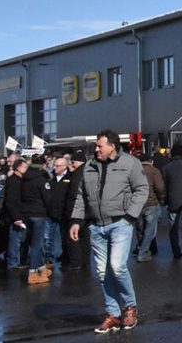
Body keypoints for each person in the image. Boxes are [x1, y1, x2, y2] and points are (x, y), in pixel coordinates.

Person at [70, 130, 148, 333]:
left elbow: (142, 189)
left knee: (117, 266)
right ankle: (113, 314)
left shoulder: (130, 163)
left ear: (112, 146)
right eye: (96, 146)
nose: (96, 149)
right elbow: (81, 196)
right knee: (103, 273)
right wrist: (77, 221)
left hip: (120, 223)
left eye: (99, 146)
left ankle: (130, 307)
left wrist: (130, 216)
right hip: (96, 225)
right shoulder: (89, 166)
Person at [17, 157, 53, 285]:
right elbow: (48, 199)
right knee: (37, 244)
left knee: (32, 242)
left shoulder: (23, 180)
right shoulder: (41, 180)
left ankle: (42, 268)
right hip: (38, 213)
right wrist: (50, 211)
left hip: (26, 213)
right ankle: (32, 273)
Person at [135, 154, 166, 262]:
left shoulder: (134, 171)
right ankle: (142, 252)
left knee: (139, 228)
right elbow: (160, 187)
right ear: (151, 161)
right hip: (151, 202)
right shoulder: (154, 171)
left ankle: (140, 247)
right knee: (149, 229)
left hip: (137, 203)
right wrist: (161, 197)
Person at [62, 150, 90, 270]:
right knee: (84, 237)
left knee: (73, 237)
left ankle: (75, 262)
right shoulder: (87, 172)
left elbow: (74, 194)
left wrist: (70, 211)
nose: (71, 165)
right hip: (86, 210)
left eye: (73, 162)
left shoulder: (77, 175)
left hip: (76, 210)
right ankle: (84, 261)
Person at [46, 156, 73, 270]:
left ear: (64, 167)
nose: (54, 167)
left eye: (57, 166)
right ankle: (48, 259)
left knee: (65, 236)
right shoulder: (51, 177)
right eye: (54, 165)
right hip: (51, 211)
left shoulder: (70, 177)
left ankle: (66, 256)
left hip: (63, 212)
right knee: (48, 237)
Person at [2, 159, 30, 272]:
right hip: (16, 217)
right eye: (25, 167)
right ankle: (13, 263)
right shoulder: (13, 181)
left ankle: (19, 261)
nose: (27, 169)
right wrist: (16, 217)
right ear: (18, 167)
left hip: (20, 214)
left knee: (21, 239)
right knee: (15, 240)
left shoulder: (20, 180)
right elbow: (11, 201)